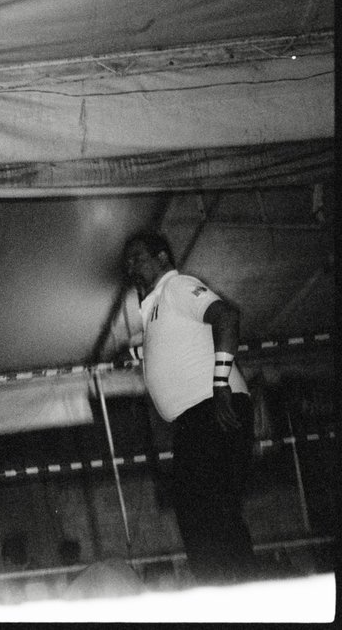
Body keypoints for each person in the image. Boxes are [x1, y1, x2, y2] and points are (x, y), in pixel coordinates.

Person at [123, 230, 256, 585]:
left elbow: (226, 316)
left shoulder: (177, 287)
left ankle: (241, 594)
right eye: (128, 262)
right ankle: (225, 592)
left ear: (163, 257)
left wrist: (220, 383)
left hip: (214, 410)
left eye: (138, 257)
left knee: (213, 515)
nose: (131, 266)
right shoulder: (153, 307)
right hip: (195, 421)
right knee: (199, 519)